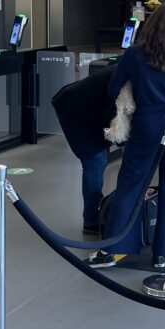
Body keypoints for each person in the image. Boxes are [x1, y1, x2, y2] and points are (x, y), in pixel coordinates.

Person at [87, 3, 165, 269]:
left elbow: (112, 89)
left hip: (147, 124)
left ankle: (110, 250)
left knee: (131, 183)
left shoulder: (134, 54)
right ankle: (163, 253)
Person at [51, 63, 117, 235]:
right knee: (94, 164)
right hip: (77, 111)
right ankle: (91, 221)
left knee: (98, 162)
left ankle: (96, 211)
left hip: (89, 110)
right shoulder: (133, 71)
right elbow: (115, 110)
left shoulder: (131, 64)